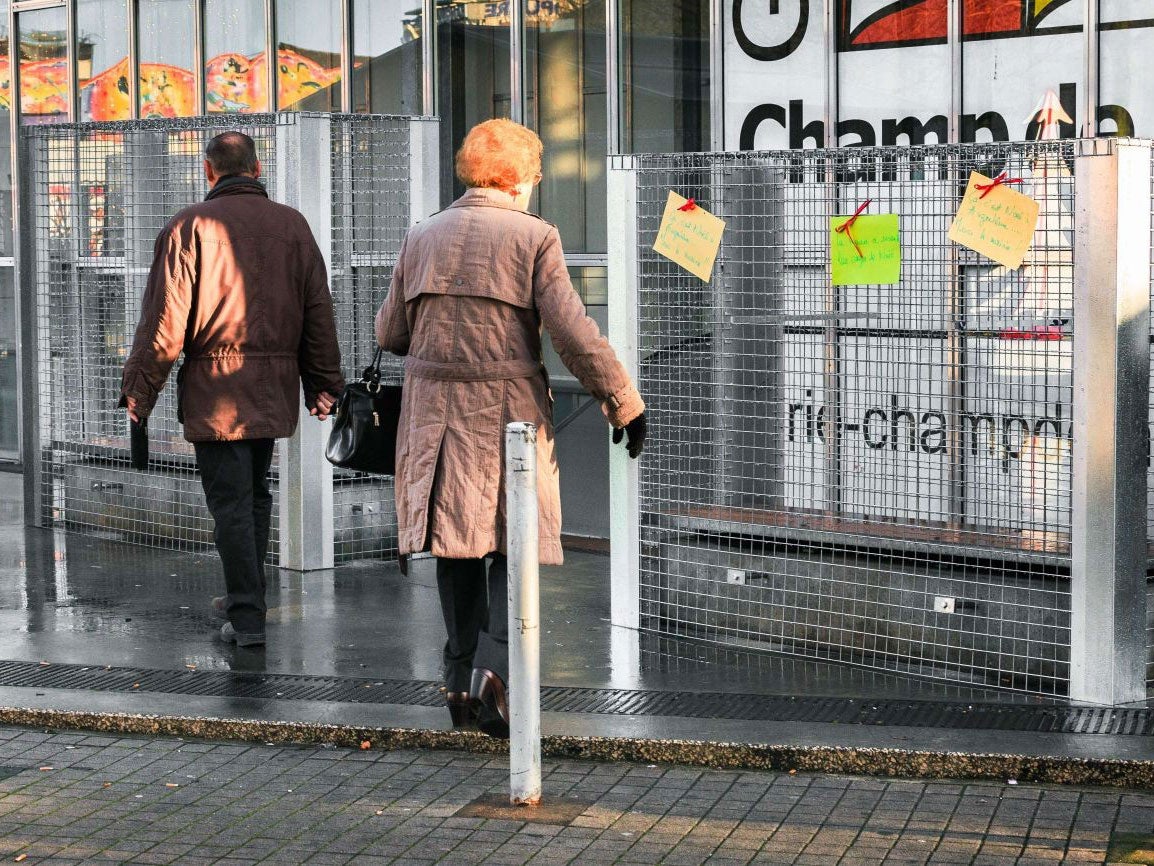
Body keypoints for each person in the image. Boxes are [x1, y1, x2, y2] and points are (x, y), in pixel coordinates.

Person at [375, 118, 647, 737]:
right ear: (520, 179)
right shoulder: (534, 237)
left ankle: (457, 678)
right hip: (507, 416)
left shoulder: (421, 236)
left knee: (454, 546)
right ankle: (496, 676)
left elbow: (389, 333)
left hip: (432, 419)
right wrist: (623, 401)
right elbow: (574, 334)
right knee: (508, 541)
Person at [119, 131, 344, 648]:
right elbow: (318, 309)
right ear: (258, 169)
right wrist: (324, 383)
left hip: (215, 389)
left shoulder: (189, 227)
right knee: (255, 493)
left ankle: (246, 618)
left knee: (231, 503)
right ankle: (248, 594)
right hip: (274, 386)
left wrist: (141, 391)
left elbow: (164, 323)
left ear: (208, 171)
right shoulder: (292, 225)